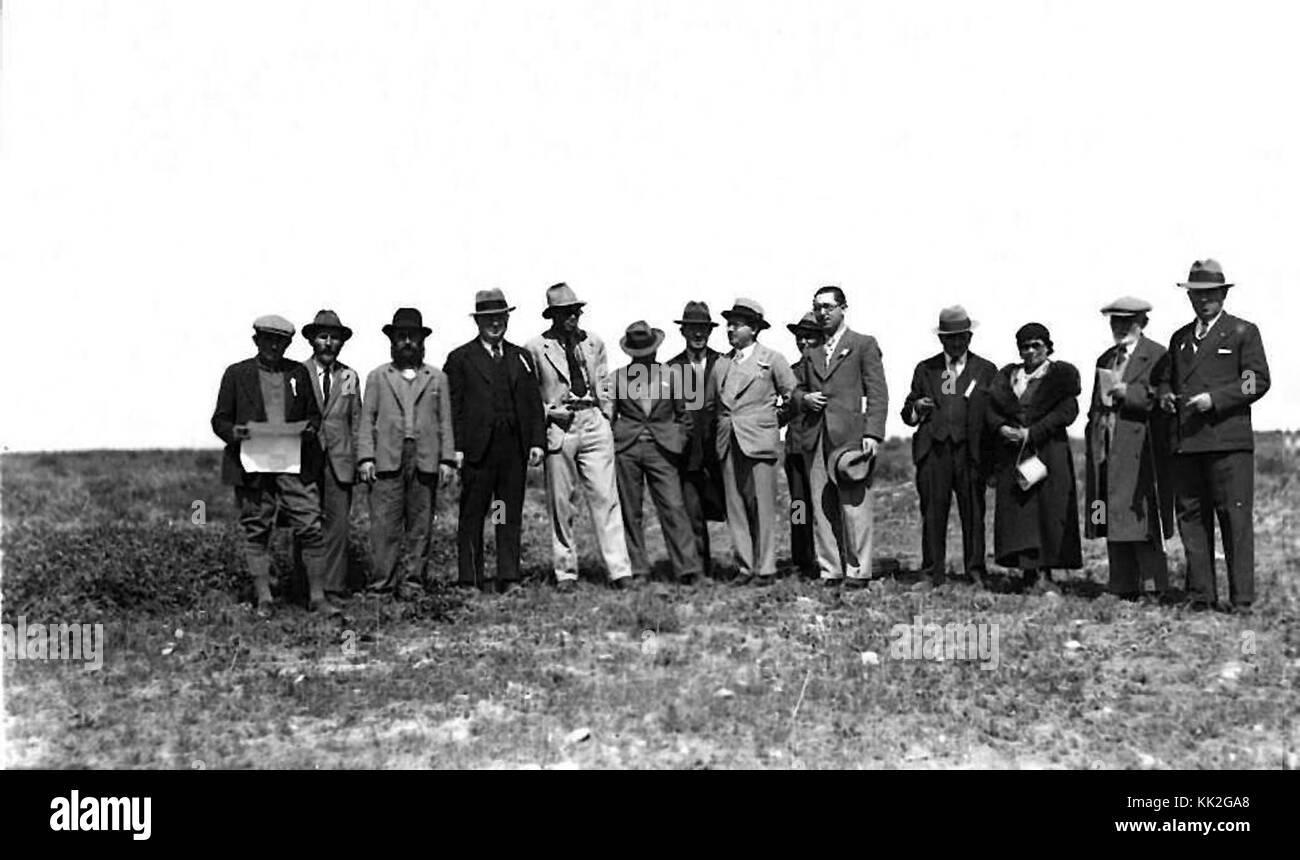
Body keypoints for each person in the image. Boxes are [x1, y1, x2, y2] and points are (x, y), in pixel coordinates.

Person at [1153, 259, 1270, 613]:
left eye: (1210, 294)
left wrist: (1216, 400)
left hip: (1227, 444)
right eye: (1197, 295)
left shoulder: (1242, 332)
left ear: (1223, 294)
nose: (1203, 300)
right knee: (1191, 520)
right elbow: (1164, 380)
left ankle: (1241, 600)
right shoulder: (1180, 339)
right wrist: (1165, 397)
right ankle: (1202, 595)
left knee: (1234, 521)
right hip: (1187, 444)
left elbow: (1256, 380)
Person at [211, 314, 339, 617]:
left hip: (293, 463)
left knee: (310, 525)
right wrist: (235, 433)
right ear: (256, 340)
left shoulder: (298, 373)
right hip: (252, 464)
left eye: (280, 341)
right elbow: (220, 419)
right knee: (256, 528)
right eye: (268, 339)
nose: (273, 346)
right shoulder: (236, 374)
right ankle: (264, 598)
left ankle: (317, 597)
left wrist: (308, 428)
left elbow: (314, 415)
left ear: (288, 344)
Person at [525, 283, 634, 592]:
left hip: (593, 421)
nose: (574, 317)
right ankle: (566, 573)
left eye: (577, 311)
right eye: (566, 312)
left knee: (606, 498)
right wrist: (548, 412)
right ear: (553, 316)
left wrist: (605, 416)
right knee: (562, 504)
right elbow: (529, 395)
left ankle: (619, 570)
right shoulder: (535, 348)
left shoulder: (593, 342)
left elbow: (603, 381)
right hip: (560, 426)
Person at [444, 289, 546, 594]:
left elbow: (532, 403)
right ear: (478, 322)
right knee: (473, 514)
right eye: (488, 318)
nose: (495, 323)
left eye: (500, 317)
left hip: (511, 452)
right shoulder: (460, 358)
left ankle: (508, 576)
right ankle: (469, 579)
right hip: (477, 452)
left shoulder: (520, 357)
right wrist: (457, 448)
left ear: (507, 319)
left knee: (504, 512)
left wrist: (536, 442)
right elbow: (454, 407)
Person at [792, 286, 888, 589]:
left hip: (850, 438)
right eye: (817, 307)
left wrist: (873, 432)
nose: (822, 313)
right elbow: (794, 389)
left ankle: (858, 571)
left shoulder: (863, 344)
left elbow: (877, 392)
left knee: (854, 505)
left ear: (843, 308)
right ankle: (830, 570)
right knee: (821, 507)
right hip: (815, 437)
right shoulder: (811, 353)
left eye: (828, 307)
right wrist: (804, 398)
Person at [357, 307, 456, 597]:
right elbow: (366, 419)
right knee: (384, 527)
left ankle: (413, 584)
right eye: (402, 337)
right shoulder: (377, 376)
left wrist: (447, 459)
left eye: (413, 337)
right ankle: (381, 586)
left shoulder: (437, 378)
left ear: (422, 341)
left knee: (420, 525)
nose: (408, 342)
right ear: (392, 341)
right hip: (387, 458)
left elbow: (445, 421)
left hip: (425, 459)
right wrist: (365, 457)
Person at [900, 306, 997, 588]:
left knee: (974, 514)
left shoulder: (986, 370)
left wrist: (992, 463)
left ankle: (976, 572)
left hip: (971, 454)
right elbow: (907, 414)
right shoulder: (926, 369)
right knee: (933, 513)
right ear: (941, 340)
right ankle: (931, 573)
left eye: (961, 338)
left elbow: (995, 415)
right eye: (950, 339)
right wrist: (917, 407)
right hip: (935, 452)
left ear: (969, 337)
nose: (956, 343)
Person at [1084, 297, 1173, 600]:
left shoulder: (1158, 355)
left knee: (1142, 517)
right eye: (1115, 321)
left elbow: (1165, 396)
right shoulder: (1106, 358)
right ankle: (1121, 584)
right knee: (1112, 514)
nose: (1120, 327)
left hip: (1141, 449)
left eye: (1127, 322)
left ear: (1143, 323)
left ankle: (1153, 585)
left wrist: (1130, 393)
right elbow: (1095, 405)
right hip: (1108, 447)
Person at [986, 322, 1083, 593]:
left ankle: (1047, 572)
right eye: (1024, 347)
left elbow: (1067, 411)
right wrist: (1000, 427)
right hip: (1013, 455)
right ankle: (1026, 571)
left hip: (1048, 453)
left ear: (1047, 347)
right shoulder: (1009, 378)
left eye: (1036, 346)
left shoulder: (1059, 377)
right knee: (1021, 513)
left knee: (1047, 512)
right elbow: (991, 409)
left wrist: (1033, 433)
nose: (1030, 351)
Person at [711, 298, 799, 585]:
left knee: (761, 505)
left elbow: (793, 396)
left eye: (736, 325)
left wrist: (773, 421)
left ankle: (766, 568)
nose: (730, 329)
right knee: (735, 506)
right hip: (728, 441)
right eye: (729, 324)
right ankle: (745, 566)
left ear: (754, 329)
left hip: (759, 442)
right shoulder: (722, 363)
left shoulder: (772, 359)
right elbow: (714, 403)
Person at [611, 321, 703, 584]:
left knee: (674, 506)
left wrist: (678, 441)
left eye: (648, 352)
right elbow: (610, 414)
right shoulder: (617, 377)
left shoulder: (674, 375)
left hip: (663, 450)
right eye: (639, 354)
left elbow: (685, 415)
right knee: (631, 511)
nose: (644, 358)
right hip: (626, 450)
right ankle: (638, 569)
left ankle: (688, 569)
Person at [297, 309, 362, 601]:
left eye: (334, 338)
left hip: (340, 461)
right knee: (306, 524)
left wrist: (361, 459)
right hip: (306, 460)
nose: (328, 343)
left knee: (337, 527)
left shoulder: (349, 377)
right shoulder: (298, 373)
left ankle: (334, 587)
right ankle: (305, 588)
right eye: (323, 337)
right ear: (312, 340)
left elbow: (356, 420)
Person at [664, 301, 726, 577]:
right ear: (683, 331)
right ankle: (698, 570)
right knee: (692, 514)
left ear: (710, 332)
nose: (698, 334)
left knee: (737, 510)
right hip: (689, 455)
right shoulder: (671, 368)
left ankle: (751, 568)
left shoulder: (723, 362)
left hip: (722, 451)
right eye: (692, 328)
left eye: (703, 329)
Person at [780, 312, 824, 578]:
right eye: (800, 337)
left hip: (823, 449)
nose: (804, 342)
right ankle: (802, 559)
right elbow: (783, 410)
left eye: (810, 336)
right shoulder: (790, 373)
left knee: (827, 507)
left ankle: (834, 559)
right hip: (796, 450)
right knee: (799, 507)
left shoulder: (830, 373)